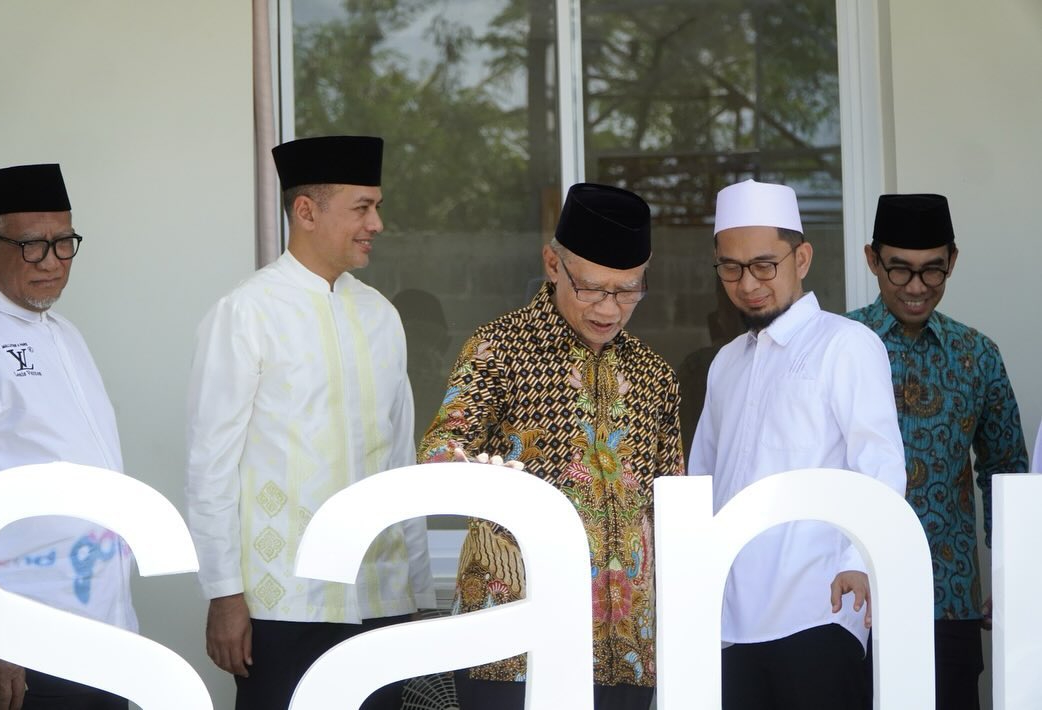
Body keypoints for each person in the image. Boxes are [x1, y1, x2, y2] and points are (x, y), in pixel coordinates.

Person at [185, 136, 435, 710]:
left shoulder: (381, 315)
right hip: (283, 603)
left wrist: (417, 588)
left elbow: (402, 460)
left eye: (376, 205)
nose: (377, 222)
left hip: (380, 595)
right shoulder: (246, 312)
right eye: (362, 207)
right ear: (306, 211)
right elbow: (210, 466)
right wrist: (224, 595)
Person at [418, 183, 684, 710]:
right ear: (552, 264)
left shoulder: (655, 376)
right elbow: (439, 454)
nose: (610, 308)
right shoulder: (500, 349)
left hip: (627, 653)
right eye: (592, 288)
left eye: (628, 290)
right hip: (511, 649)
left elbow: (670, 508)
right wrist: (497, 484)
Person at [689, 179, 906, 710]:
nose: (747, 283)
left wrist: (864, 559)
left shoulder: (847, 345)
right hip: (729, 620)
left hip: (819, 608)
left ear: (802, 257)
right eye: (731, 268)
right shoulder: (726, 364)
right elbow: (704, 479)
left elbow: (880, 464)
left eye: (765, 265)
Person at [846, 193, 1028, 710]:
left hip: (948, 599)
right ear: (872, 259)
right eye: (899, 270)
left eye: (934, 271)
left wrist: (1012, 576)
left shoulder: (977, 356)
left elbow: (1005, 472)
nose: (918, 287)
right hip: (850, 600)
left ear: (952, 260)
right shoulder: (839, 344)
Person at [0, 164, 134, 710]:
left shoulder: (65, 335)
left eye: (64, 243)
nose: (52, 263)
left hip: (104, 629)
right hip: (25, 639)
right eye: (32, 246)